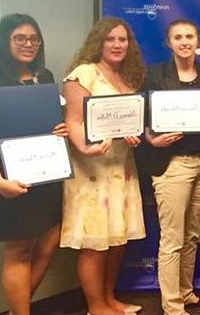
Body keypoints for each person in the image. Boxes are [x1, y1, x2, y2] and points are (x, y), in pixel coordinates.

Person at [0, 14, 66, 315]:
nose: (28, 44)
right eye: (20, 38)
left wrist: (58, 130)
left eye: (34, 39)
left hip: (45, 176)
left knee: (49, 243)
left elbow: (47, 122)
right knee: (19, 252)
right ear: (4, 42)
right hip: (6, 180)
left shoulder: (44, 76)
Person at [61, 18, 146, 315]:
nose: (117, 44)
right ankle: (95, 306)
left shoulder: (127, 77)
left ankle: (110, 299)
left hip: (121, 167)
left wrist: (133, 132)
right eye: (110, 39)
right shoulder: (83, 74)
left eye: (123, 39)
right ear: (98, 41)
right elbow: (73, 120)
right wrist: (85, 147)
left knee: (116, 238)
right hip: (92, 171)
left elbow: (127, 119)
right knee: (95, 241)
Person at [138, 19, 200, 315]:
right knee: (172, 237)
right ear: (168, 43)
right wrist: (151, 139)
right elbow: (143, 117)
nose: (185, 42)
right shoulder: (156, 75)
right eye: (178, 37)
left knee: (192, 234)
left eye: (190, 36)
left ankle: (186, 293)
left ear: (198, 41)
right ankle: (172, 306)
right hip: (172, 164)